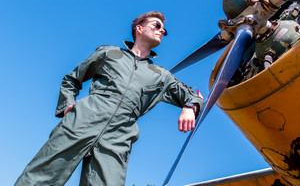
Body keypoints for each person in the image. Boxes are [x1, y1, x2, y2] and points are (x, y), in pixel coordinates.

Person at [15, 11, 204, 186]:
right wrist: (68, 105)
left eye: (164, 29)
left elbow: (193, 95)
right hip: (81, 122)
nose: (162, 30)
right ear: (139, 28)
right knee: (39, 178)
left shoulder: (161, 75)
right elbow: (72, 79)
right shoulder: (109, 53)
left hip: (118, 137)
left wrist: (189, 107)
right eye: (156, 25)